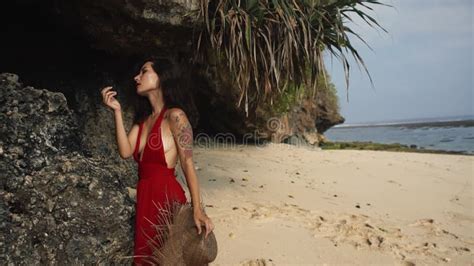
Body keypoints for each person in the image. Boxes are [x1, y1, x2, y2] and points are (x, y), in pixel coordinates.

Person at [100, 57, 215, 265]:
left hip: (166, 201)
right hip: (146, 198)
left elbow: (188, 163)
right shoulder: (143, 120)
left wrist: (197, 208)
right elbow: (125, 151)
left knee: (170, 259)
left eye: (144, 71)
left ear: (161, 77)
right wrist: (117, 111)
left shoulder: (176, 117)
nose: (137, 77)